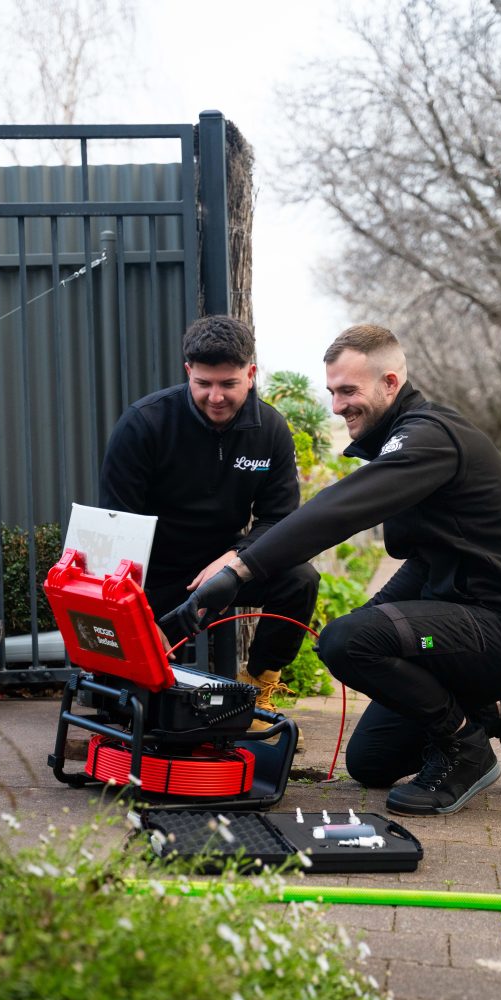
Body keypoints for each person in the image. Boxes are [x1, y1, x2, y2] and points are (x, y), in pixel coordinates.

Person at [162, 324, 501, 816]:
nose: (337, 406)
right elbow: (425, 558)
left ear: (391, 383)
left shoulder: (429, 438)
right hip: (463, 623)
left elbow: (340, 509)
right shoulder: (403, 439)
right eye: (333, 391)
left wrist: (241, 570)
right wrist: (372, 620)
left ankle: (466, 749)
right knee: (371, 761)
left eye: (349, 391)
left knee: (348, 640)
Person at [99, 315, 319, 747]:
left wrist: (235, 561)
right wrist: (137, 611)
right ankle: (143, 689)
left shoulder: (271, 431)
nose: (215, 396)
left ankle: (257, 692)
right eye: (203, 383)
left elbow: (279, 521)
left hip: (226, 567)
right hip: (154, 573)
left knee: (300, 578)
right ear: (188, 373)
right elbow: (117, 526)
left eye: (229, 383)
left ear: (250, 375)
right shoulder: (144, 423)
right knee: (131, 712)